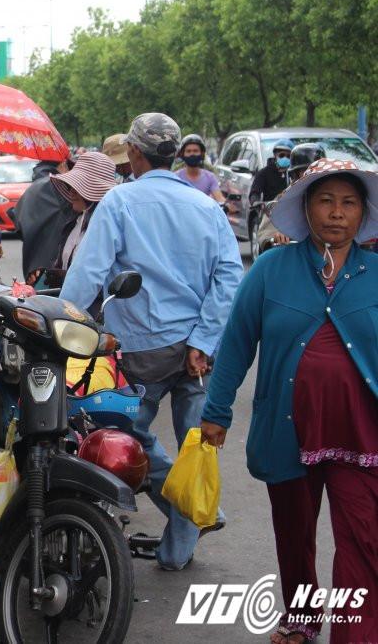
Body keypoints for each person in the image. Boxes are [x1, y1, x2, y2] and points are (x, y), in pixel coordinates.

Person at [201, 159, 378, 644]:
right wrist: (216, 411)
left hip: (361, 431)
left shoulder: (377, 273)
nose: (337, 213)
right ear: (306, 208)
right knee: (294, 533)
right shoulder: (271, 269)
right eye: (326, 201)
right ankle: (301, 617)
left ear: (362, 215)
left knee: (363, 538)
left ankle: (355, 632)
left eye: (348, 203)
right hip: (289, 429)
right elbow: (237, 341)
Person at [60, 112, 243, 571]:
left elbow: (88, 274)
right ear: (178, 153)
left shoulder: (120, 203)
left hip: (141, 349)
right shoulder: (206, 207)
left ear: (135, 153)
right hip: (198, 352)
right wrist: (204, 338)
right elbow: (229, 278)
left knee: (127, 437)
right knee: (195, 447)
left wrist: (58, 323)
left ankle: (190, 517)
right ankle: (182, 542)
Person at [43, 152, 117, 290]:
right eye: (71, 186)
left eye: (77, 186)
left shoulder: (104, 227)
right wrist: (47, 275)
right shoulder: (75, 222)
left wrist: (65, 277)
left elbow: (101, 279)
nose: (71, 191)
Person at [254, 142, 326, 253]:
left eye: (316, 171)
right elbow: (266, 235)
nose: (311, 175)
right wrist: (278, 236)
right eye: (306, 171)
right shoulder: (282, 200)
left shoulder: (335, 196)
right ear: (295, 174)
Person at [14, 157, 73, 287]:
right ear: (64, 164)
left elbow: (16, 220)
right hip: (53, 265)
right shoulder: (59, 189)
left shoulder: (33, 187)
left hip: (32, 263)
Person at [175, 134, 226, 203]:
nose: (192, 154)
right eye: (188, 151)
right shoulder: (176, 177)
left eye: (195, 151)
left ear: (201, 154)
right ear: (182, 154)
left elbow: (219, 198)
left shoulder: (210, 177)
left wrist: (225, 205)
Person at [249, 138, 295, 208]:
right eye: (281, 155)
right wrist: (256, 202)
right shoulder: (264, 172)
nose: (285, 158)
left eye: (288, 156)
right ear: (275, 155)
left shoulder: (294, 172)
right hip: (270, 212)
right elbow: (254, 192)